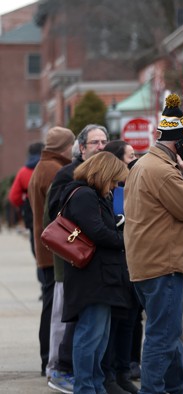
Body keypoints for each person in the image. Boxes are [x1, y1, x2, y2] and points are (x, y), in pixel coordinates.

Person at [124, 94, 183, 394]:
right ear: (180, 144)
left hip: (149, 264)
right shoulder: (162, 171)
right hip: (163, 267)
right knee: (163, 335)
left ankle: (176, 389)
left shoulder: (144, 165)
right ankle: (153, 390)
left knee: (169, 334)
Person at [58, 152, 133, 393]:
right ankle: (85, 388)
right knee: (91, 335)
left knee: (99, 337)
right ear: (102, 175)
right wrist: (125, 240)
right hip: (92, 278)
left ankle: (95, 385)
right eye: (113, 180)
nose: (114, 186)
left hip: (101, 277)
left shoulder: (92, 195)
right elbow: (97, 232)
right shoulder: (84, 195)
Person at [28, 126, 75, 386]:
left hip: (43, 247)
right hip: (52, 250)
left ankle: (47, 356)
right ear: (65, 147)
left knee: (49, 306)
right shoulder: (54, 169)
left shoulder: (42, 166)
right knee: (53, 309)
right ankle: (50, 358)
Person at [102, 139, 140, 394]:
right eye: (130, 155)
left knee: (131, 322)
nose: (135, 159)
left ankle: (124, 372)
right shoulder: (109, 191)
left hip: (136, 263)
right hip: (116, 264)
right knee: (115, 323)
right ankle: (110, 375)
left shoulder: (137, 185)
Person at [8, 141, 44, 256]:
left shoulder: (23, 172)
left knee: (37, 249)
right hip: (49, 211)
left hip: (31, 212)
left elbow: (14, 196)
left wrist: (23, 203)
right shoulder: (48, 167)